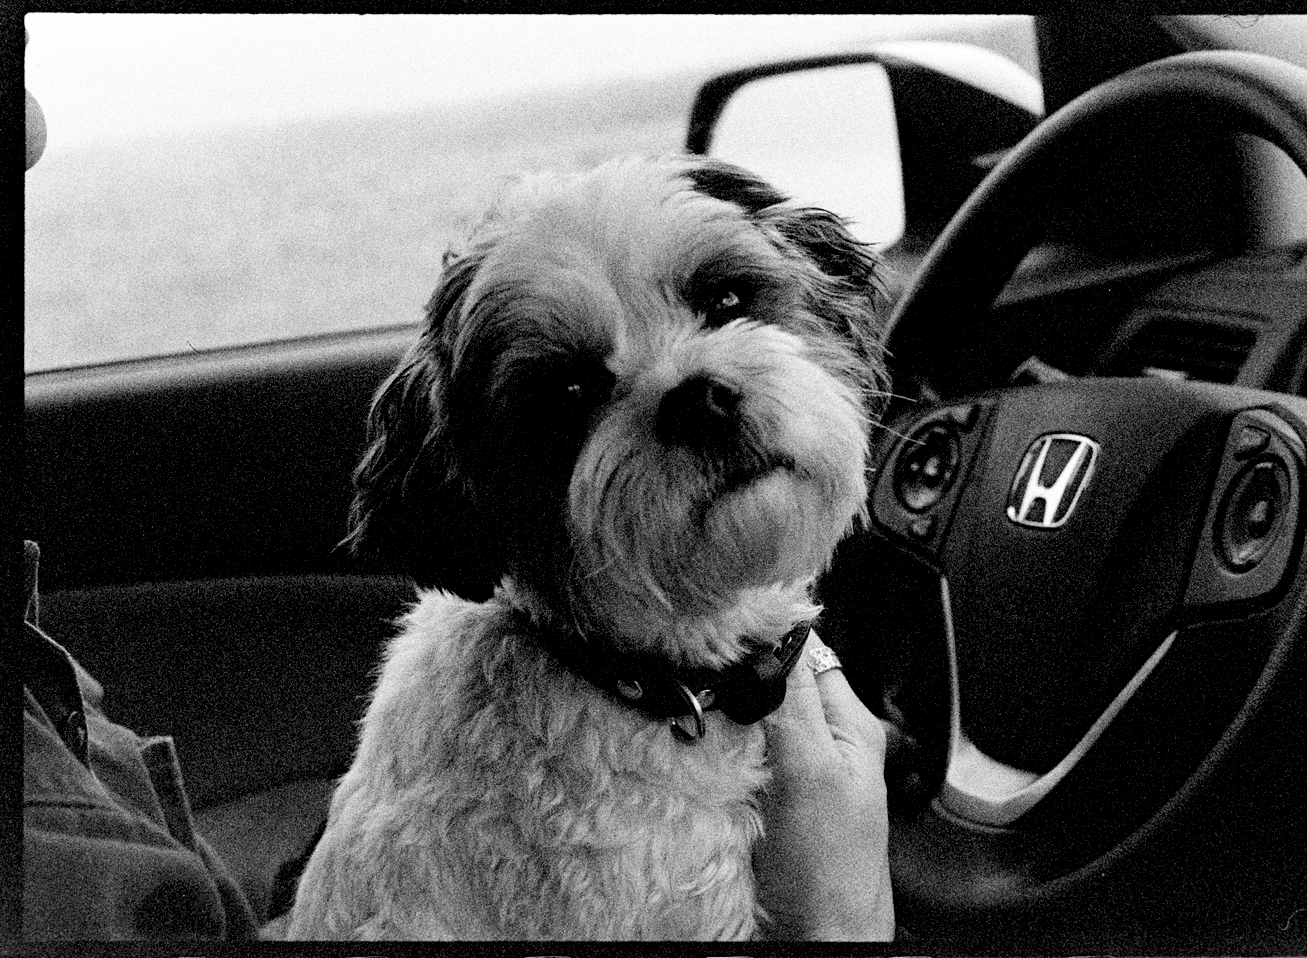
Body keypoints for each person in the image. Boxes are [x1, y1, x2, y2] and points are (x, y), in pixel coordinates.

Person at [19, 46, 895, 942]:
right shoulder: (594, 830)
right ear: (484, 493)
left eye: (727, 302)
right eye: (574, 394)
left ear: (833, 320)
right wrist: (838, 925)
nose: (696, 389)